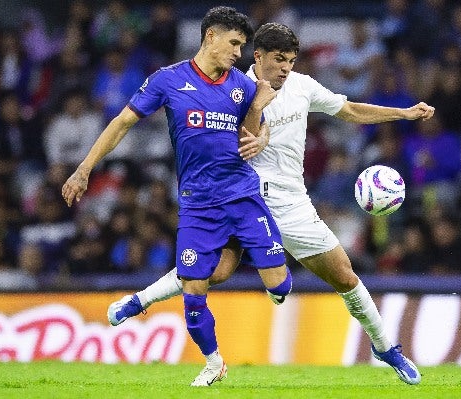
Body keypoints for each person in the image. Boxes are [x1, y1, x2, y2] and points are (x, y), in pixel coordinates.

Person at [107, 22, 434, 385]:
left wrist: (403, 113)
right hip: (241, 198)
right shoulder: (234, 87)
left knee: (345, 276)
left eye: (291, 61)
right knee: (210, 272)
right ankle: (139, 302)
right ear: (258, 56)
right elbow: (219, 141)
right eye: (279, 59)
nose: (286, 68)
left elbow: (349, 110)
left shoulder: (303, 87)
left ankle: (385, 347)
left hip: (293, 204)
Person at [61, 7, 292, 387]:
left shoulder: (243, 86)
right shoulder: (167, 81)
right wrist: (85, 168)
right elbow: (121, 123)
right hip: (198, 203)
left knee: (279, 288)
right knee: (196, 289)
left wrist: (259, 121)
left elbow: (256, 135)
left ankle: (141, 300)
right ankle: (213, 362)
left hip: (241, 196)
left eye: (242, 46)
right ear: (210, 37)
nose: (239, 53)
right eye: (234, 44)